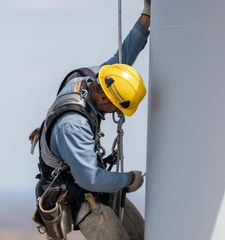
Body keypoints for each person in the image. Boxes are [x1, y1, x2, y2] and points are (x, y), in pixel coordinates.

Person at [30, 1, 151, 239]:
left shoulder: (93, 78)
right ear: (105, 99)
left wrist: (145, 19)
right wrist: (129, 180)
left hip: (89, 183)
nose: (116, 113)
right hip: (75, 195)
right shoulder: (73, 126)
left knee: (143, 234)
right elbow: (91, 178)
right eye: (117, 107)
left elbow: (122, 59)